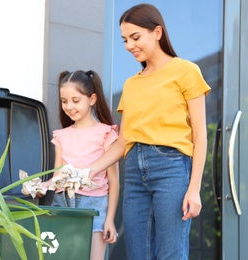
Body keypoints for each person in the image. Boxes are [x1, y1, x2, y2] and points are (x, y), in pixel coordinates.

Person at [84, 3, 211, 260]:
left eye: (135, 37)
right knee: (138, 253)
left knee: (170, 253)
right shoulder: (131, 85)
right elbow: (124, 141)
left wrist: (194, 188)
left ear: (157, 32)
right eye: (124, 40)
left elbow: (200, 135)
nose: (130, 46)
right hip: (134, 172)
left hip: (172, 168)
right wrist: (87, 171)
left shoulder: (186, 71)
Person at [50, 70, 119, 260]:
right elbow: (57, 177)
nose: (69, 106)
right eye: (64, 101)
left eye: (75, 100)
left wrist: (110, 220)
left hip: (94, 206)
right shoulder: (61, 136)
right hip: (62, 204)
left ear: (92, 99)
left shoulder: (106, 133)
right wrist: (39, 187)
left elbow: (114, 181)